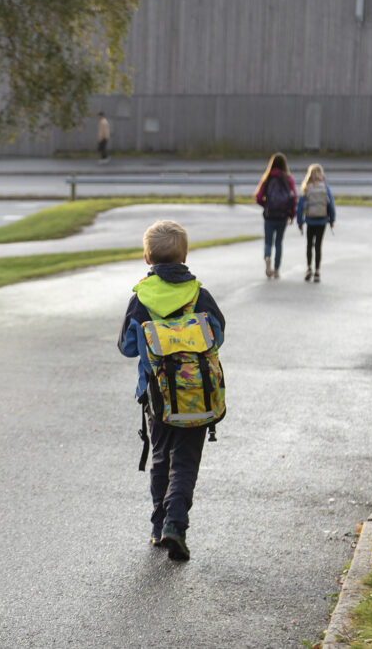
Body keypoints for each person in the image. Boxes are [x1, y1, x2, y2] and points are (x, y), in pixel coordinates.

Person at [118, 220, 225, 561]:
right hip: (196, 395)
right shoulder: (199, 294)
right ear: (185, 255)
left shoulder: (142, 299)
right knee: (186, 461)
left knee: (161, 458)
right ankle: (176, 525)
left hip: (157, 396)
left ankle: (157, 525)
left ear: (147, 258)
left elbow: (127, 347)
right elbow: (218, 335)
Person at [254, 152, 297, 279]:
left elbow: (258, 197)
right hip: (282, 215)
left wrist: (266, 205)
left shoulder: (267, 178)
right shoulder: (288, 179)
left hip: (270, 215)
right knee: (278, 242)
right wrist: (291, 214)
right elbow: (293, 198)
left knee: (268, 241)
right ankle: (277, 270)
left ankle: (267, 258)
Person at [296, 163, 336, 283]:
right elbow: (331, 205)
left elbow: (300, 207)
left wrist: (300, 221)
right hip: (322, 220)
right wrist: (332, 219)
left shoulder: (307, 188)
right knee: (318, 246)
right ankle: (317, 271)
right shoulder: (325, 188)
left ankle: (309, 268)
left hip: (310, 220)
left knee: (309, 244)